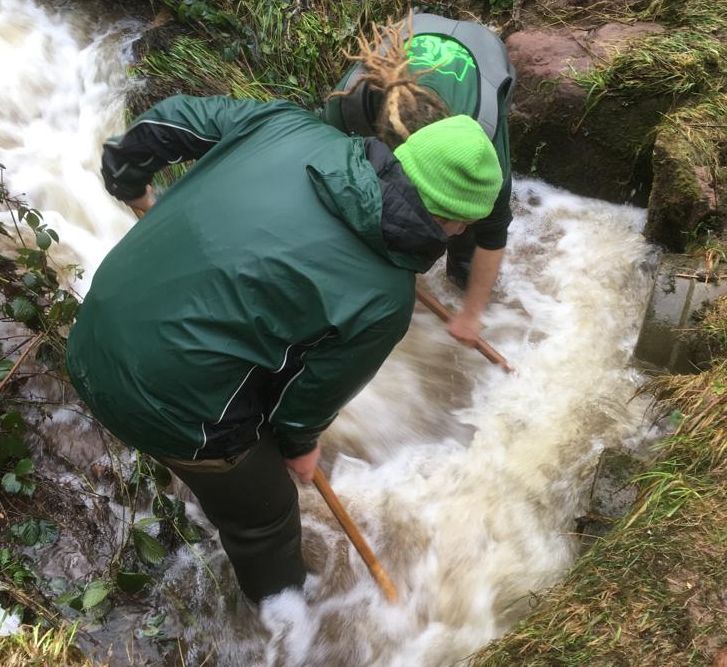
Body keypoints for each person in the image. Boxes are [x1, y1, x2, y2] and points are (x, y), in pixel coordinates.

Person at [65, 93, 502, 603]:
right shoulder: (386, 301)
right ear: (456, 222)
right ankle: (284, 621)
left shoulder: (284, 122)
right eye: (465, 223)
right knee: (267, 515)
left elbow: (172, 120)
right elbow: (302, 403)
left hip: (91, 328)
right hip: (162, 403)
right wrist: (300, 449)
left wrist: (128, 181)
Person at [323, 14, 516, 346]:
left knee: (464, 238)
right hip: (415, 32)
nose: (462, 225)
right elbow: (328, 183)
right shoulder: (347, 109)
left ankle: (460, 268)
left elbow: (493, 231)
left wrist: (471, 313)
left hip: (485, 60)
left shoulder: (483, 149)